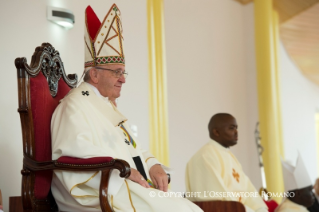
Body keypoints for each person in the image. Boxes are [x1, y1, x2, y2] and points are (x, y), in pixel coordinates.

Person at [50, 4, 202, 212]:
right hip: (103, 191)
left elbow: (133, 147)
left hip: (123, 185)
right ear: (94, 75)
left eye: (123, 72)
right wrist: (124, 171)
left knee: (188, 208)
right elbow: (74, 154)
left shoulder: (106, 106)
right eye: (116, 72)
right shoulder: (75, 106)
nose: (123, 79)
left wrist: (153, 165)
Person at [185, 113, 268, 212]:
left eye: (237, 128)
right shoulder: (205, 156)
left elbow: (248, 189)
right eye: (232, 128)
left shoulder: (230, 156)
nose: (236, 132)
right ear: (216, 132)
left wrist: (260, 209)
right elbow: (217, 198)